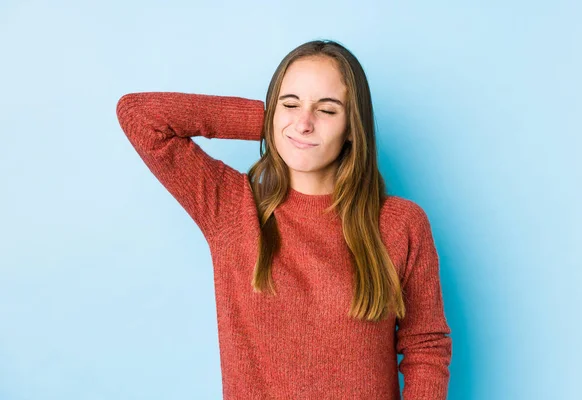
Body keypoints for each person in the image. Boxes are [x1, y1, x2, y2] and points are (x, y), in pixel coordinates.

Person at [116, 39, 452, 400]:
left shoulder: (400, 223)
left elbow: (425, 347)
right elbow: (139, 115)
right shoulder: (230, 207)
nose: (304, 123)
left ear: (353, 127)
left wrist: (286, 118)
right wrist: (271, 124)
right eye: (290, 104)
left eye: (327, 110)